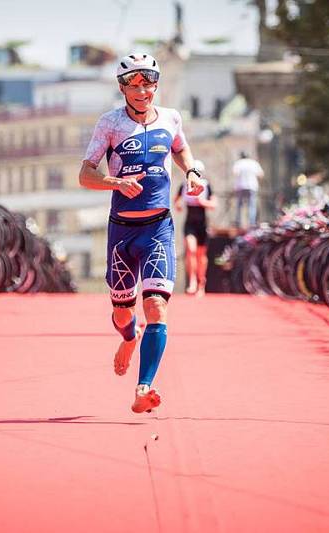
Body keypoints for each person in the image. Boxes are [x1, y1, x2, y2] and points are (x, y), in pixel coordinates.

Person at [78, 53, 204, 413]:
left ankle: (143, 387)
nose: (142, 91)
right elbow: (85, 174)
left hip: (159, 229)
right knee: (122, 312)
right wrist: (114, 181)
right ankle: (128, 338)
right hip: (122, 231)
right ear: (122, 89)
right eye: (134, 86)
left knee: (156, 307)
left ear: (155, 85)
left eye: (148, 84)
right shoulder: (110, 124)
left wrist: (192, 172)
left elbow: (180, 148)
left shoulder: (171, 118)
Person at [173, 160, 216, 295]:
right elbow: (176, 200)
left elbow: (214, 204)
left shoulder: (206, 186)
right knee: (190, 251)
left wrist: (202, 202)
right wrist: (178, 205)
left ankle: (201, 283)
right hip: (189, 223)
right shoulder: (184, 186)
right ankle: (192, 281)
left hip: (202, 223)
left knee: (201, 255)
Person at [231, 151, 264, 228]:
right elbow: (261, 174)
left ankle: (238, 222)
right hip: (252, 186)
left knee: (239, 205)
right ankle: (251, 223)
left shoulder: (239, 163)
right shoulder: (253, 163)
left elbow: (235, 173)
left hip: (241, 186)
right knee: (252, 205)